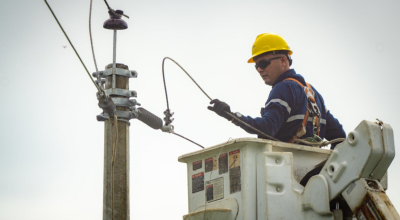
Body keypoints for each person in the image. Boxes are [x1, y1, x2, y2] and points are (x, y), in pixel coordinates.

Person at [208, 33, 346, 149]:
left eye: (263, 63)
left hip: (284, 173)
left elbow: (268, 127)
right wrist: (328, 168)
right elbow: (340, 137)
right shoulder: (313, 94)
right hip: (312, 175)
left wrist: (232, 116)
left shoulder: (283, 88)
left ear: (283, 61)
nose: (260, 70)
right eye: (256, 66)